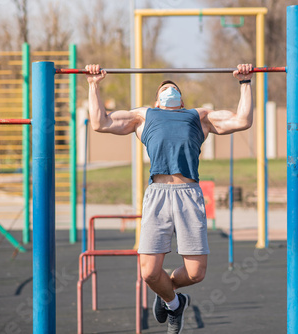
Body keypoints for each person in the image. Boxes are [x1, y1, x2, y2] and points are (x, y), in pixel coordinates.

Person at [85, 63, 254, 333]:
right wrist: (94, 84)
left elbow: (242, 120)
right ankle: (175, 304)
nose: (169, 88)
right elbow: (100, 122)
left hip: (189, 195)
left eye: (173, 87)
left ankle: (170, 293)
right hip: (158, 196)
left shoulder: (198, 117)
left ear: (182, 99)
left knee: (196, 273)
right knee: (149, 273)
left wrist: (245, 82)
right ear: (157, 100)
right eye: (163, 88)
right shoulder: (144, 116)